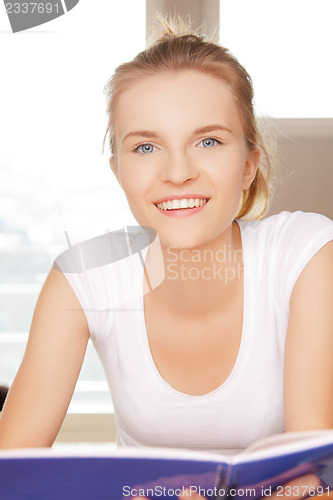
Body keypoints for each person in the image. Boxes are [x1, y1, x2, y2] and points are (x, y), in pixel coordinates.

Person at [0, 15, 332, 498]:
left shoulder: (305, 253)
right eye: (147, 146)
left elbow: (311, 471)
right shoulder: (83, 279)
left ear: (248, 164)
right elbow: (12, 468)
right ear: (118, 170)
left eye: (209, 141)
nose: (177, 173)